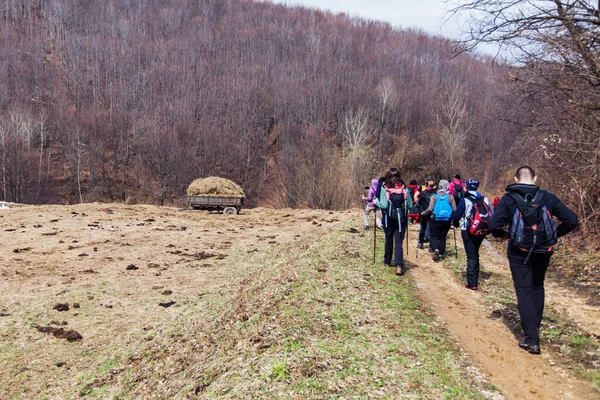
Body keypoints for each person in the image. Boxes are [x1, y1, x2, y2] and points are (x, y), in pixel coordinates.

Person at [489, 166, 578, 355]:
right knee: (537, 285)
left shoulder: (508, 198)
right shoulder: (548, 197)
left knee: (523, 290)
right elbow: (572, 220)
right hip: (543, 250)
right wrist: (553, 235)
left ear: (516, 178)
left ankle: (531, 339)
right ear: (535, 178)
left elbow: (493, 225)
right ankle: (533, 329)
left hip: (519, 249)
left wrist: (503, 235)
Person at [452, 179, 493, 290]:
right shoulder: (485, 199)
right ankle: (475, 278)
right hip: (481, 230)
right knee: (475, 252)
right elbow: (491, 214)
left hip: (468, 230)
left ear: (467, 187)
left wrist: (454, 224)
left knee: (471, 255)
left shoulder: (464, 200)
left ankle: (472, 282)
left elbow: (457, 216)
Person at [375, 168, 412, 276]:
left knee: (389, 239)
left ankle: (387, 261)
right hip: (402, 220)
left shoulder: (385, 188)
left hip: (388, 220)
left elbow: (384, 205)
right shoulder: (404, 188)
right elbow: (410, 205)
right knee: (399, 242)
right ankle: (399, 265)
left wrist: (376, 202)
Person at [421, 179, 456, 261]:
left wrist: (423, 213)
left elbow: (430, 209)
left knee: (434, 236)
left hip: (436, 219)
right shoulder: (450, 197)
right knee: (443, 237)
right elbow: (455, 209)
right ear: (447, 187)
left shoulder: (435, 196)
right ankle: (441, 254)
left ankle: (436, 248)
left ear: (439, 186)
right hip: (447, 220)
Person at [417, 178, 436, 250]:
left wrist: (419, 209)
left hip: (424, 212)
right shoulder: (435, 194)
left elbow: (419, 202)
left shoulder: (423, 192)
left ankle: (421, 243)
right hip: (432, 213)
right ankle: (431, 246)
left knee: (423, 228)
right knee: (431, 229)